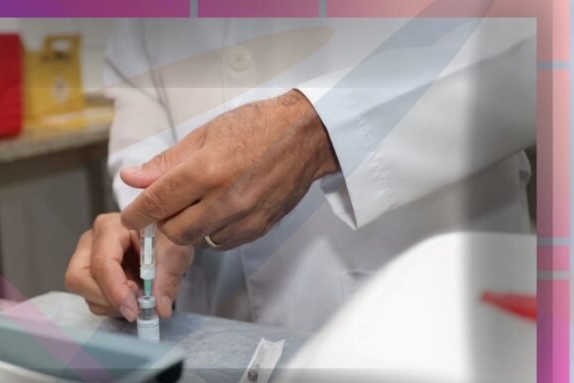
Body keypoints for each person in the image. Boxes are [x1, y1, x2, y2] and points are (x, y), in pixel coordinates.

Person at [65, 17, 535, 332]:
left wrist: (324, 128)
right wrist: (149, 218)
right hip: (218, 327)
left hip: (434, 313)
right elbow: (141, 82)